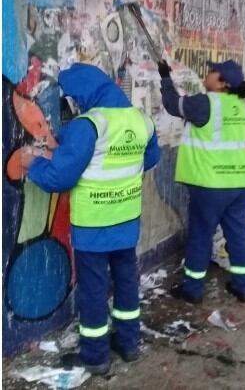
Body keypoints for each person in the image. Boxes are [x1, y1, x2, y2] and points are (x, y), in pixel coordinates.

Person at [21, 63, 160, 375]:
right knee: (126, 282)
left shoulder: (89, 124)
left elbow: (60, 177)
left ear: (82, 94)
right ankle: (129, 343)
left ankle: (95, 356)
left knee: (94, 290)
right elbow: (149, 158)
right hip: (127, 221)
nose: (72, 105)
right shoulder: (141, 120)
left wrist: (33, 164)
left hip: (94, 226)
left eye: (72, 98)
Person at [159, 59, 245, 304]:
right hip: (240, 183)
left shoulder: (205, 103)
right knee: (237, 234)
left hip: (211, 184)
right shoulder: (240, 106)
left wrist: (165, 79)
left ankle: (193, 289)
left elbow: (172, 104)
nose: (207, 73)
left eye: (213, 71)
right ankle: (243, 286)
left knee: (201, 235)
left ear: (223, 83)